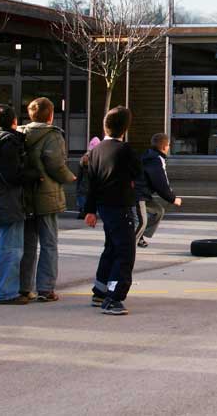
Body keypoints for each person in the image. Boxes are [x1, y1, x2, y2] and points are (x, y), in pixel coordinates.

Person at [0, 104, 41, 304]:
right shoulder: (9, 143)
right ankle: (6, 292)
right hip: (12, 200)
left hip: (1, 200)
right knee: (13, 248)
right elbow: (12, 175)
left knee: (6, 246)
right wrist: (33, 174)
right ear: (14, 121)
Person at [85, 106, 142, 315]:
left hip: (103, 206)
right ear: (125, 129)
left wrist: (89, 210)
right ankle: (114, 296)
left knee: (111, 247)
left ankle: (100, 289)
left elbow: (91, 183)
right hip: (120, 205)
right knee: (125, 251)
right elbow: (138, 172)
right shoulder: (125, 150)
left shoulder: (95, 151)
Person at [19, 97, 77, 302]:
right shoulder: (53, 135)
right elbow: (55, 163)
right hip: (47, 194)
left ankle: (24, 286)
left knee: (27, 243)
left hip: (25, 194)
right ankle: (45, 288)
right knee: (49, 243)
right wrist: (69, 177)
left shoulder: (19, 133)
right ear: (51, 115)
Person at [134, 132, 182, 248]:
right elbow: (160, 183)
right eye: (169, 145)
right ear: (165, 147)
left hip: (144, 194)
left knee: (158, 211)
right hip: (137, 194)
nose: (169, 147)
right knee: (142, 222)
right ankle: (128, 247)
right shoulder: (155, 160)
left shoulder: (151, 155)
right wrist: (173, 198)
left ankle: (140, 235)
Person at [75, 136, 101, 219]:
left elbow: (79, 174)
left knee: (82, 196)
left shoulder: (84, 158)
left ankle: (82, 211)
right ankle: (91, 211)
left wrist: (78, 185)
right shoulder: (98, 157)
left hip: (84, 183)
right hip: (93, 184)